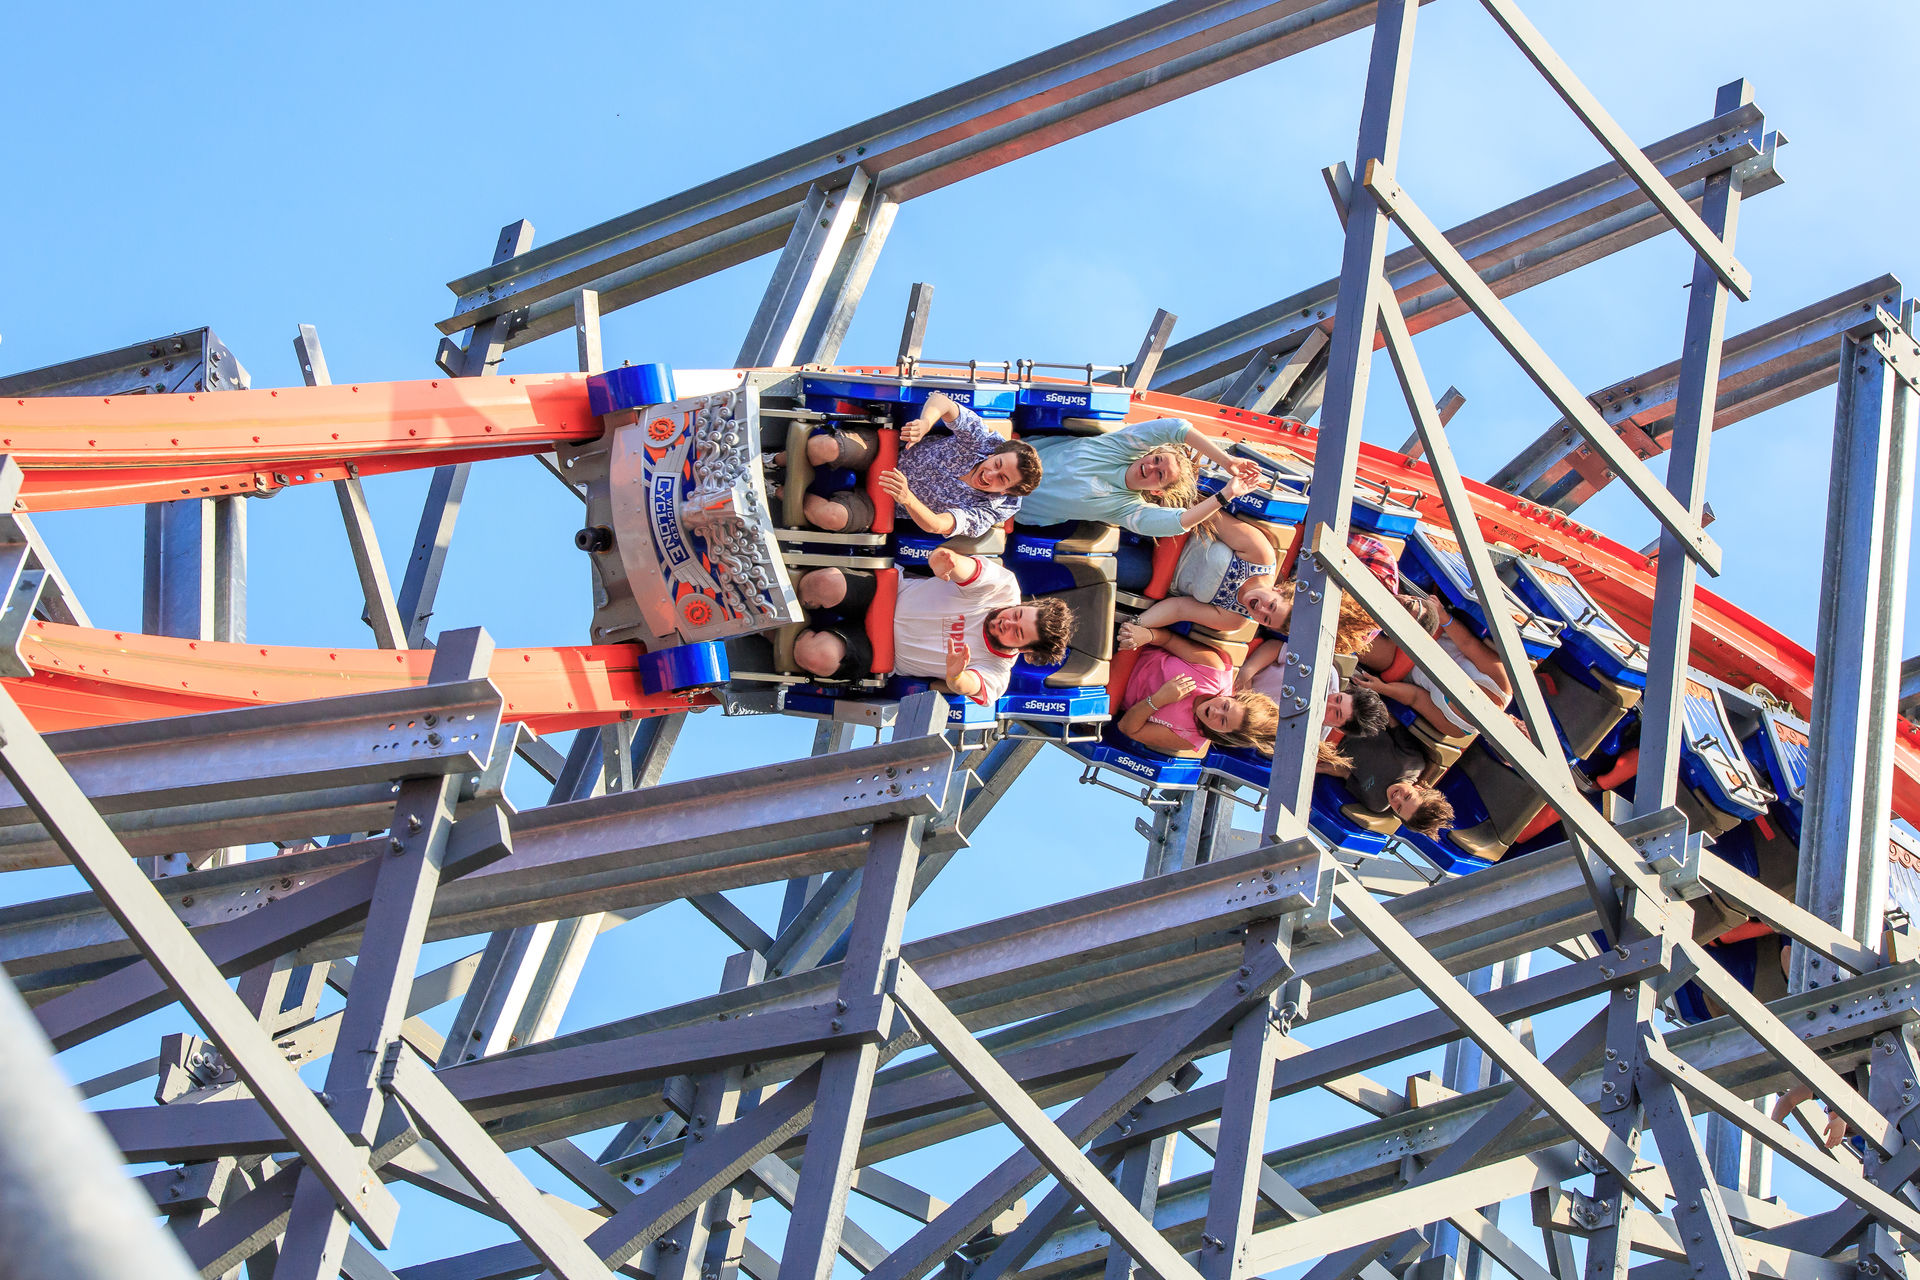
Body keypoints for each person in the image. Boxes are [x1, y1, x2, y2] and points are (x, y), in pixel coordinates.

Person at [790, 548, 1071, 704]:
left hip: (879, 648)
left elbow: (967, 685)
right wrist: (947, 562)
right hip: (890, 595)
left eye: (1017, 632)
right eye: (1017, 614)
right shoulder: (1003, 587)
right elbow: (964, 567)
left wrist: (957, 675)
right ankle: (792, 597)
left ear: (1025, 651)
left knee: (816, 656)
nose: (1007, 621)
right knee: (823, 584)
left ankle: (779, 635)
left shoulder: (997, 674)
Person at [791, 391, 1043, 536]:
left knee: (831, 516)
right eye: (997, 464)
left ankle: (779, 492)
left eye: (1002, 479)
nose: (990, 473)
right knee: (824, 447)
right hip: (888, 454)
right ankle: (777, 460)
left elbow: (938, 525)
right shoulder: (984, 442)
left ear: (1006, 491)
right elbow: (942, 401)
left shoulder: (987, 511)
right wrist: (925, 423)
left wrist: (907, 498)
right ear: (996, 454)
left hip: (885, 502)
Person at [1016, 416, 1265, 537]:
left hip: (1009, 504)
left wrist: (1226, 494)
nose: (1151, 467)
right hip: (1009, 458)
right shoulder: (1119, 447)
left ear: (1156, 491)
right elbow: (1176, 428)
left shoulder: (1125, 508)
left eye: (1160, 475)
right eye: (1156, 460)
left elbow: (1178, 523)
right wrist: (1226, 461)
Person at [1353, 611, 1517, 738]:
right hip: (1428, 630)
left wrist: (1382, 688)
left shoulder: (1457, 729)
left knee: (1354, 635)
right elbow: (1468, 643)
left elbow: (1416, 697)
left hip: (1402, 663)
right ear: (1516, 720)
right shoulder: (1502, 685)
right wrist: (1443, 615)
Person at [1114, 632, 1279, 759]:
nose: (1216, 712)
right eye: (1225, 706)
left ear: (1223, 734)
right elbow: (1166, 639)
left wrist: (1157, 700)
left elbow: (1127, 728)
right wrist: (1144, 634)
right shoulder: (1213, 669)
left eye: (1223, 721)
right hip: (1126, 646)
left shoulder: (1188, 738)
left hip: (1109, 687)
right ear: (1232, 696)